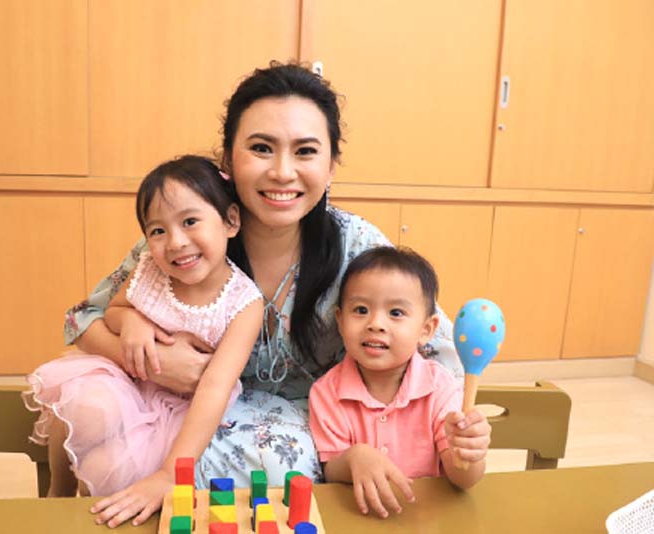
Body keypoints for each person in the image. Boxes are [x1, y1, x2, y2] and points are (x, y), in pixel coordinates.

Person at [65, 61, 464, 527]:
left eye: (305, 151)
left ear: (331, 167)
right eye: (261, 148)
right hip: (182, 416)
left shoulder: (358, 247)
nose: (282, 172)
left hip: (317, 435)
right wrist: (152, 358)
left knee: (280, 467)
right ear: (227, 161)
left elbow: (435, 354)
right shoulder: (188, 235)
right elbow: (82, 320)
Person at [25, 156, 264, 526]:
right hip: (125, 382)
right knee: (81, 406)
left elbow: (215, 387)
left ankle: (92, 508)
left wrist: (170, 473)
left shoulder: (244, 304)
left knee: (109, 469)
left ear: (230, 221)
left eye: (190, 221)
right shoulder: (149, 269)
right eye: (158, 231)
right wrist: (132, 320)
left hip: (180, 407)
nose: (176, 242)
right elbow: (112, 311)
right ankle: (59, 489)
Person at [308, 246, 491, 519]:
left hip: (429, 518)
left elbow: (464, 480)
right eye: (361, 309)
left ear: (426, 330)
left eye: (395, 313)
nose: (376, 324)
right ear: (340, 320)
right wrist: (355, 457)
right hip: (357, 518)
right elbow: (331, 471)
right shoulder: (326, 393)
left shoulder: (441, 387)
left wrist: (468, 454)